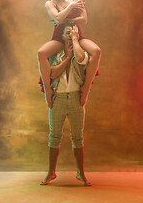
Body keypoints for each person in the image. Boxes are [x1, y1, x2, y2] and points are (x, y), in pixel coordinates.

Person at [37, 0, 101, 109]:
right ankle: (48, 90)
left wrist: (64, 20)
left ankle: (86, 87)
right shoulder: (50, 3)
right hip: (59, 37)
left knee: (96, 51)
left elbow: (84, 19)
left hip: (77, 35)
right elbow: (57, 18)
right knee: (41, 52)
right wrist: (71, 7)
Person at [40, 23, 92, 186]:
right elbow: (52, 74)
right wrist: (67, 58)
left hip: (76, 98)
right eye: (67, 32)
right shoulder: (54, 54)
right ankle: (51, 173)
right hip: (59, 98)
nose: (70, 35)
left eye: (73, 32)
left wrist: (75, 42)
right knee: (54, 136)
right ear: (61, 36)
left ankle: (81, 174)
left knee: (78, 137)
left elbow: (82, 59)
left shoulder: (80, 51)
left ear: (77, 34)